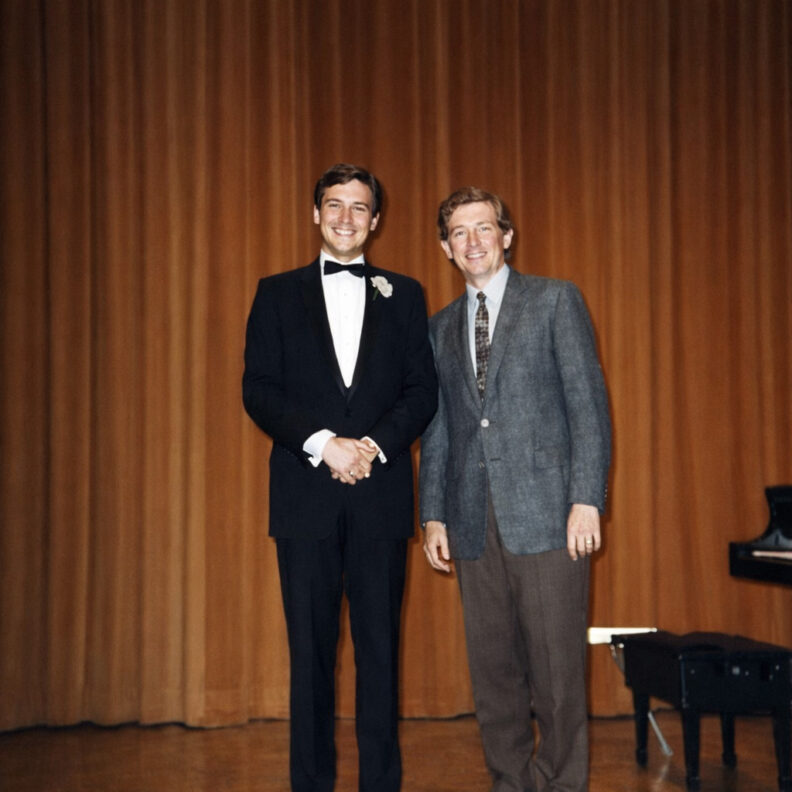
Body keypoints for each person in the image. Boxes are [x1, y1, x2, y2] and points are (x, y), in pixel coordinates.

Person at [242, 163, 437, 792]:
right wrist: (325, 446)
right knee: (311, 661)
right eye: (335, 205)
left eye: (359, 208)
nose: (346, 218)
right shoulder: (275, 292)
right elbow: (260, 390)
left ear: (376, 220)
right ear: (316, 213)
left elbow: (421, 392)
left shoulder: (405, 294)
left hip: (380, 501)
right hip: (305, 504)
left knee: (381, 658)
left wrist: (372, 447)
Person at [419, 187, 611, 792]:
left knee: (557, 676)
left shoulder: (555, 301)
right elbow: (442, 429)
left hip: (551, 518)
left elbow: (589, 409)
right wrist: (433, 515)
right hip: (473, 521)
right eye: (459, 232)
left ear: (507, 235)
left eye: (483, 228)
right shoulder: (439, 328)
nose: (472, 241)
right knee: (495, 675)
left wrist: (587, 498)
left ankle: (561, 785)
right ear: (446, 248)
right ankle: (510, 783)